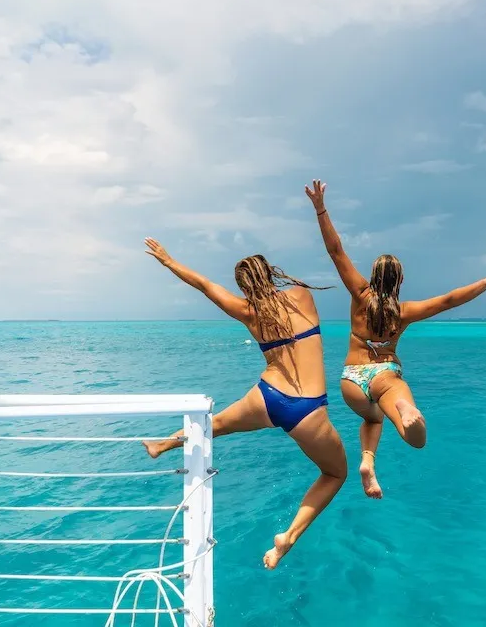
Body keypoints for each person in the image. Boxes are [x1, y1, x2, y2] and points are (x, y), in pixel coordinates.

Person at [140, 238, 347, 569]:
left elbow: (205, 285)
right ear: (270, 274)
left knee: (214, 426)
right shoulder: (302, 297)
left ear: (244, 286)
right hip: (308, 408)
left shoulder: (247, 312)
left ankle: (163, 444)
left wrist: (168, 260)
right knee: (335, 473)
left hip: (268, 396)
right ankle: (288, 538)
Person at [304, 180, 486, 499]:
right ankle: (404, 408)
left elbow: (336, 251)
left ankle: (367, 463)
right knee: (416, 438)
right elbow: (450, 300)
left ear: (374, 275)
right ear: (400, 280)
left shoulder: (359, 294)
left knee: (372, 417)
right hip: (383, 377)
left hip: (350, 381)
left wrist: (320, 207)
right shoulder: (403, 312)